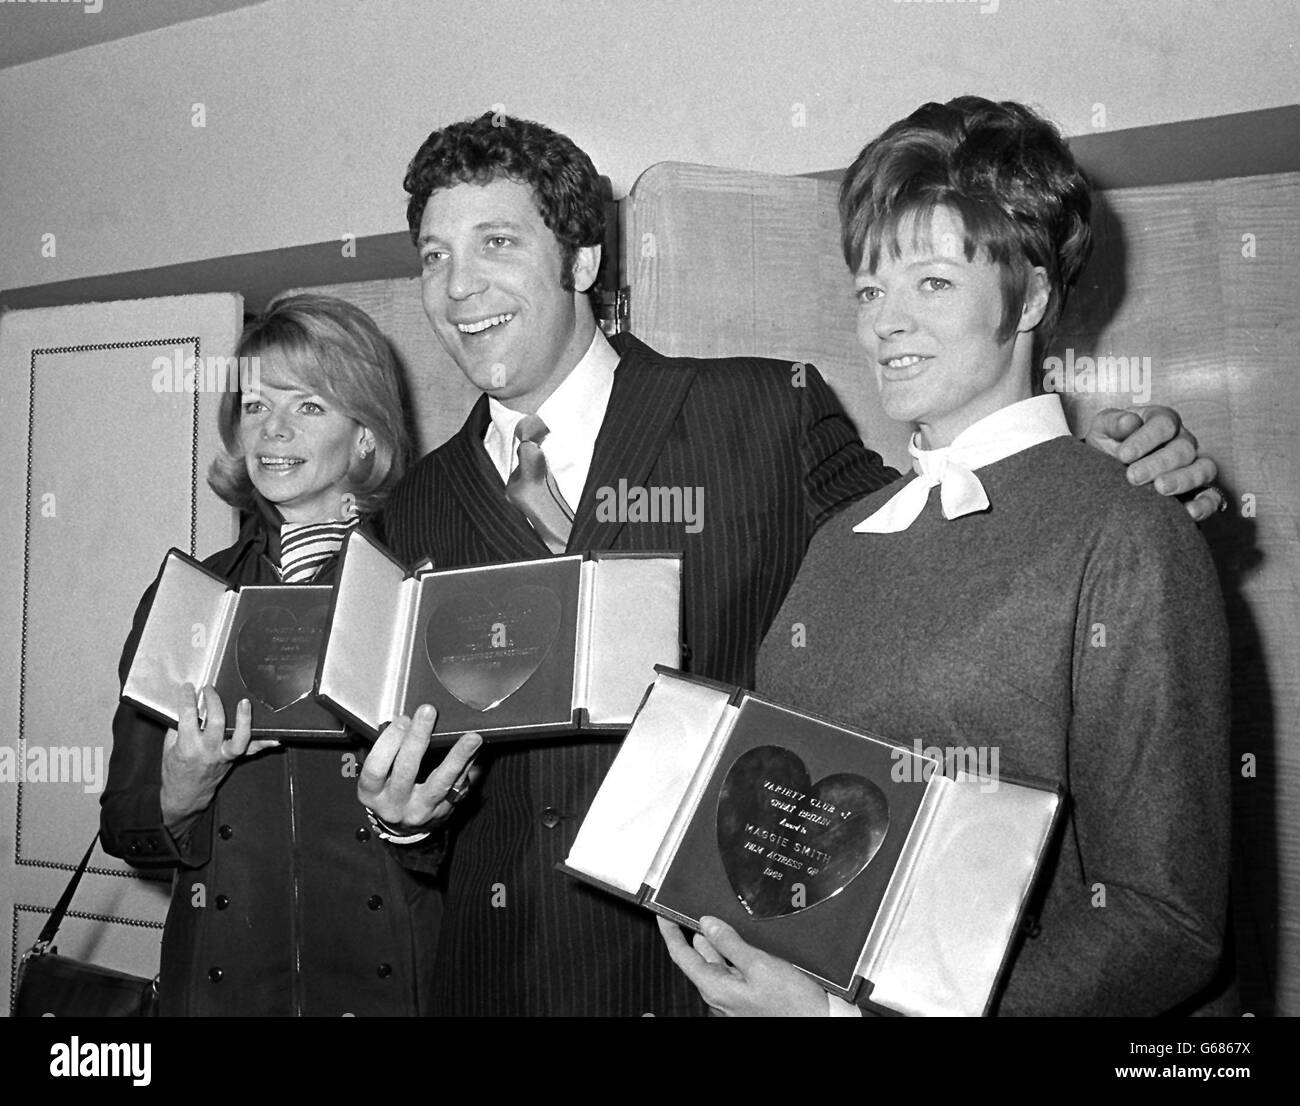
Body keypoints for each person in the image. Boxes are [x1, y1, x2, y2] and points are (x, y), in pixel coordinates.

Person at [358, 112, 1223, 1017]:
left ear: (581, 263)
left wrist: (1135, 476)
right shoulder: (410, 509)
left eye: (495, 241)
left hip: (720, 978)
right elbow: (412, 796)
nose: (460, 286)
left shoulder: (767, 412)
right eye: (431, 255)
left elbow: (978, 522)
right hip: (499, 981)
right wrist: (403, 818)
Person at [658, 96, 1231, 1017]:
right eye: (870, 289)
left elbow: (1165, 926)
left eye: (931, 283)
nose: (884, 322)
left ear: (1034, 296)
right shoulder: (841, 537)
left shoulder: (1130, 530)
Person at [100, 294, 475, 1016]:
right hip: (224, 978)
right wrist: (181, 791)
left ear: (365, 434)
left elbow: (494, 837)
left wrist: (415, 822)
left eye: (308, 406)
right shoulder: (191, 597)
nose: (273, 430)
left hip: (395, 980)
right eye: (254, 405)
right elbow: (124, 827)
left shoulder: (425, 590)